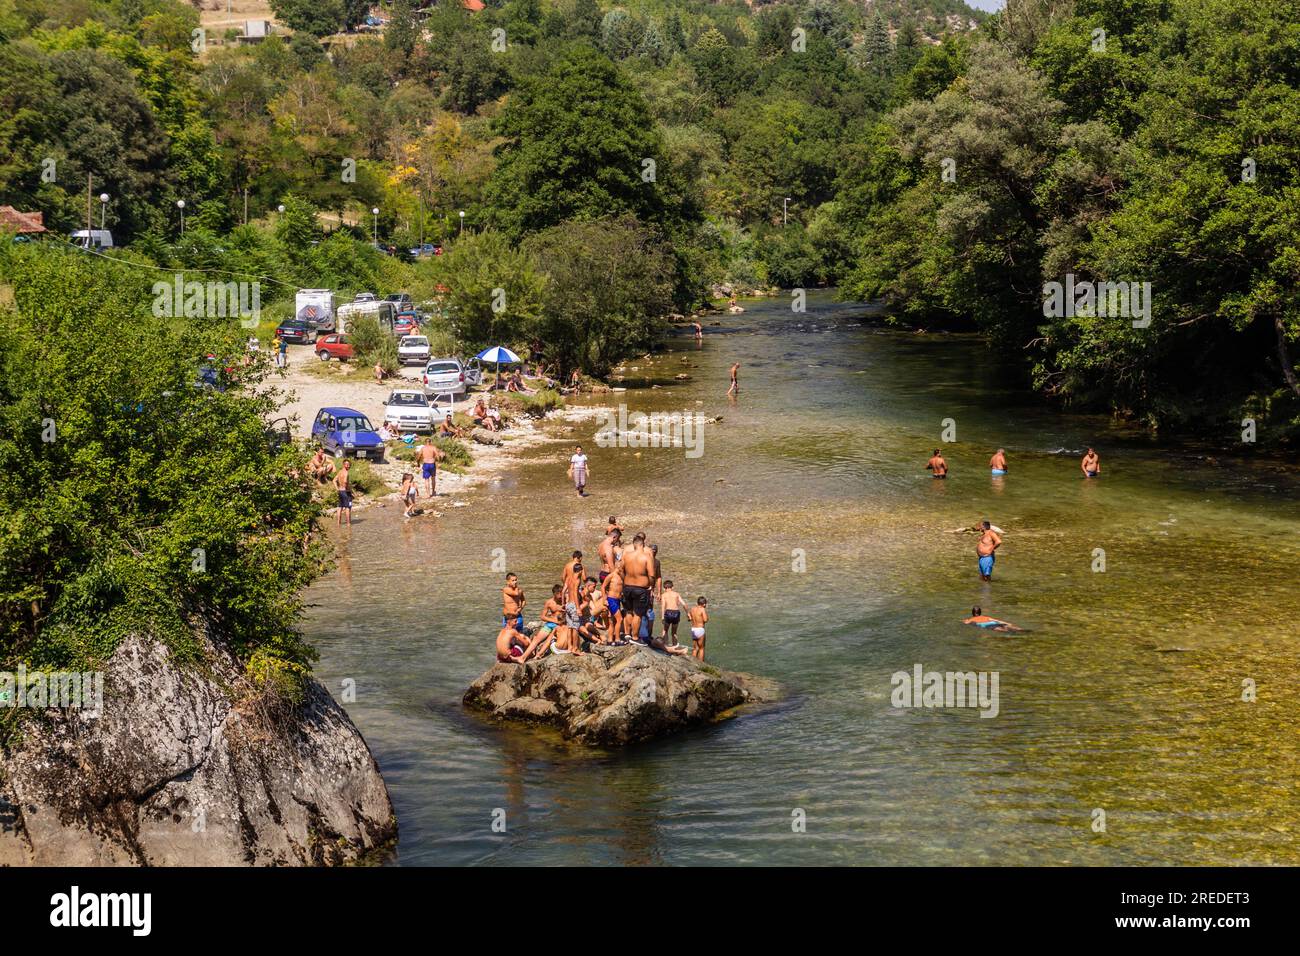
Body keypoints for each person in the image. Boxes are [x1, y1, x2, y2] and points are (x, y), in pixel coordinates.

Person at [619, 532, 655, 644]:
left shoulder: (627, 556)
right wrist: (651, 585)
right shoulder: (646, 557)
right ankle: (635, 638)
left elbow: (620, 570)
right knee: (638, 614)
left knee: (629, 611)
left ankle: (628, 634)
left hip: (627, 587)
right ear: (642, 545)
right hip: (641, 589)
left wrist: (625, 580)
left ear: (634, 545)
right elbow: (652, 575)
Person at [602, 564, 624, 639]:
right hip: (611, 599)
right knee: (620, 619)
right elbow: (603, 587)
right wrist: (604, 600)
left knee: (612, 621)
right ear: (618, 566)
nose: (623, 569)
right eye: (622, 567)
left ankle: (610, 639)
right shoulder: (611, 576)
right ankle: (617, 639)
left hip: (617, 600)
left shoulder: (621, 576)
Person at [660, 580, 683, 646]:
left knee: (665, 630)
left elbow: (663, 606)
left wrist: (662, 617)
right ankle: (675, 646)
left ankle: (665, 646)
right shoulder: (676, 594)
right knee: (674, 633)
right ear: (672, 587)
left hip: (668, 612)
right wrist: (688, 613)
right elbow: (683, 603)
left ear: (664, 588)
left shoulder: (664, 595)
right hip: (676, 613)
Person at [334, 460, 353, 527]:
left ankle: (338, 524)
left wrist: (337, 489)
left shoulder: (339, 472)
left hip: (340, 491)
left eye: (349, 464)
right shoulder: (346, 473)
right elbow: (345, 482)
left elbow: (334, 480)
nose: (348, 466)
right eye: (347, 464)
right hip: (346, 492)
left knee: (340, 507)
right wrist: (348, 489)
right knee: (348, 508)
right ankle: (348, 524)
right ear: (343, 465)